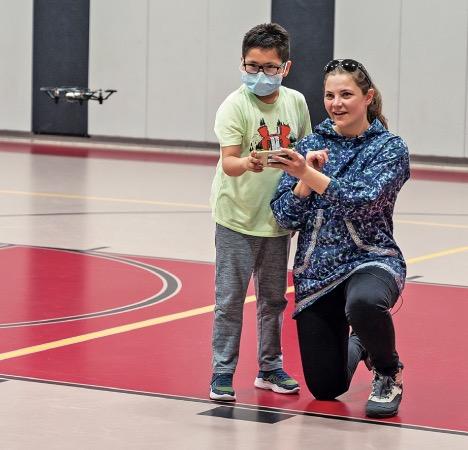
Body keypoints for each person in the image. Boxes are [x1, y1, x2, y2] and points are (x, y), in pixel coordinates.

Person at [270, 59, 410, 418]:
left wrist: (307, 172)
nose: (336, 103)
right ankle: (363, 338)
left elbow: (361, 202)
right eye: (330, 95)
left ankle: (387, 372)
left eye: (346, 94)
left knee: (363, 302)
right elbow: (284, 215)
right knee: (326, 388)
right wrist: (304, 178)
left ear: (368, 97)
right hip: (317, 272)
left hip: (372, 259)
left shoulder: (391, 148)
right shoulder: (309, 144)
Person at [209, 23, 312, 401]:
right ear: (242, 64)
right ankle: (222, 372)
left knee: (273, 300)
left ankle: (269, 367)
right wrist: (249, 163)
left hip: (276, 220)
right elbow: (229, 163)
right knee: (230, 299)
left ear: (285, 68)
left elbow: (305, 151)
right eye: (252, 66)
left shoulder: (296, 103)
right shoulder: (234, 105)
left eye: (269, 68)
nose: (260, 75)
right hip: (236, 218)